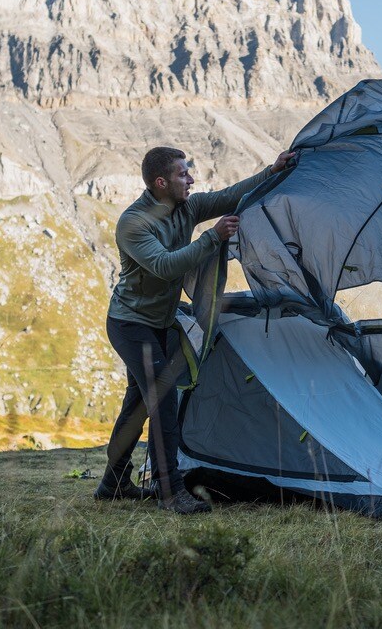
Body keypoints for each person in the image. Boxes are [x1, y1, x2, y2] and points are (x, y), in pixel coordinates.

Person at [96, 145, 295, 514]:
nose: (191, 179)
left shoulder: (186, 207)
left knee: (137, 406)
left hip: (159, 323)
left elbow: (228, 196)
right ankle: (169, 492)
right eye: (182, 174)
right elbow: (165, 266)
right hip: (130, 324)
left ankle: (113, 485)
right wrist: (212, 238)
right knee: (163, 397)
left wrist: (273, 169)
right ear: (161, 182)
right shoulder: (133, 222)